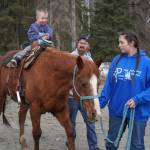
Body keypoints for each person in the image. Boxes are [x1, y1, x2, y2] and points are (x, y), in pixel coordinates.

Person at [99, 32, 150, 150]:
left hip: (138, 113)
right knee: (111, 143)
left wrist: (138, 99)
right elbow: (108, 85)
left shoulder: (146, 62)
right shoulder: (117, 60)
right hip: (117, 110)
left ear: (132, 43)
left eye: (122, 42)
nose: (119, 45)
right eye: (119, 42)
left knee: (136, 146)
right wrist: (100, 103)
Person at [67, 36, 100, 150]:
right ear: (77, 44)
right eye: (80, 42)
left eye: (84, 43)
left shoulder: (90, 60)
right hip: (72, 97)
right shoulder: (70, 57)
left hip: (86, 97)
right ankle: (71, 144)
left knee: (90, 121)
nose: (82, 45)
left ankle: (94, 146)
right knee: (71, 122)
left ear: (88, 47)